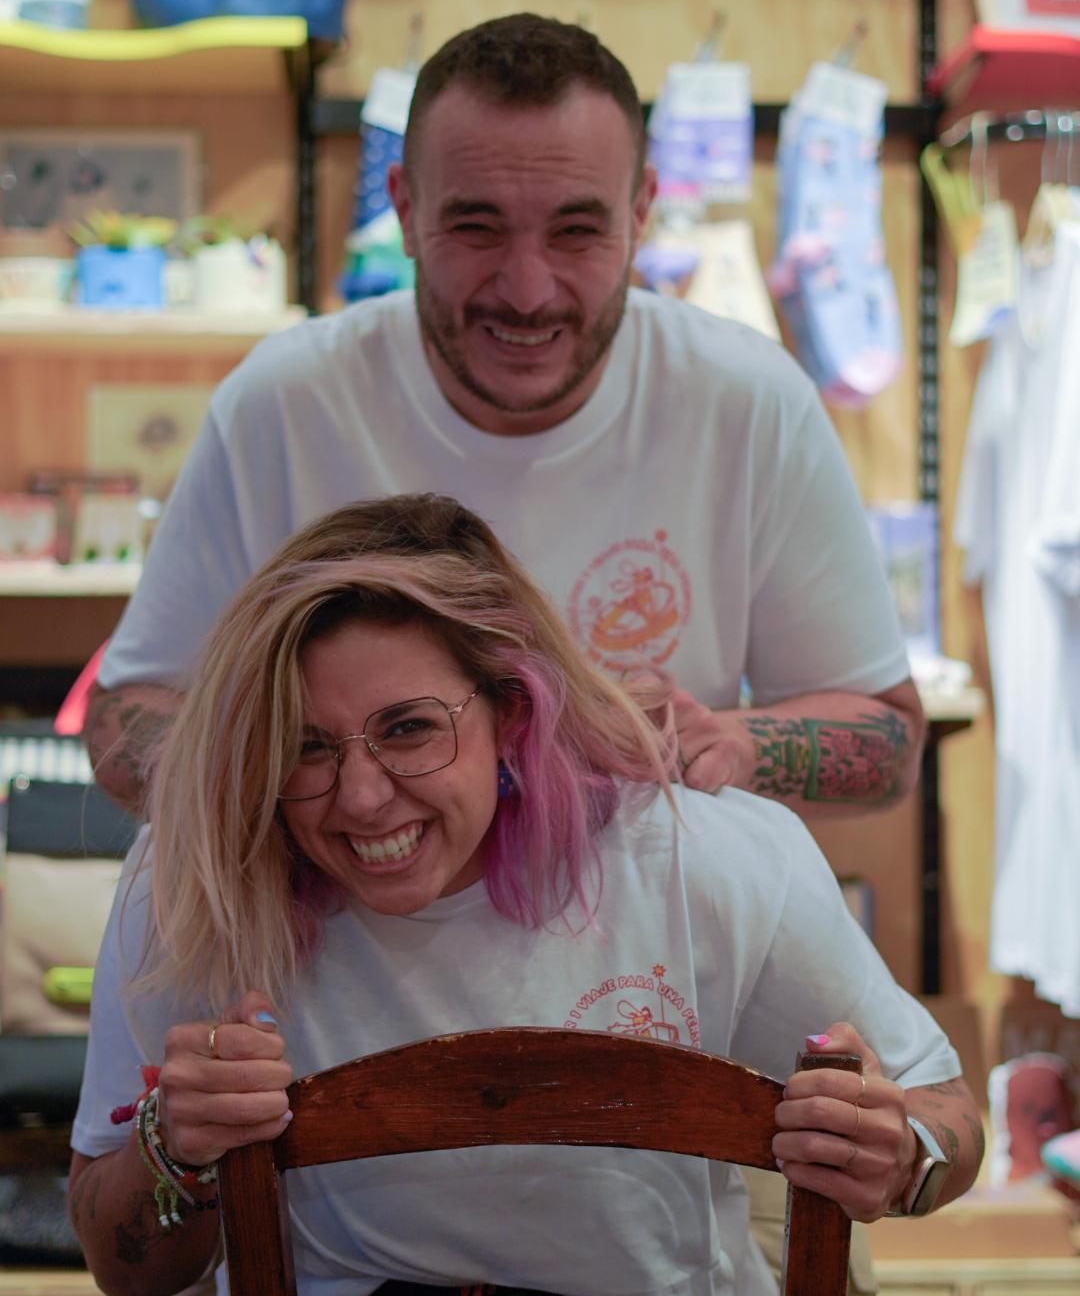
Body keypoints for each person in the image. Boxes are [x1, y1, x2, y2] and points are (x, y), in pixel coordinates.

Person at [69, 495, 979, 1296]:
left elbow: (948, 1115)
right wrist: (173, 1147)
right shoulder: (195, 882)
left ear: (513, 712)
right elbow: (124, 1269)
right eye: (306, 747)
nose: (362, 797)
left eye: (410, 729)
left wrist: (902, 1153)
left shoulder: (696, 857)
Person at [85, 13, 924, 824]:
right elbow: (125, 721)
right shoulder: (283, 404)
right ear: (404, 210)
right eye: (476, 226)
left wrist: (736, 746)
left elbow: (889, 741)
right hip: (341, 921)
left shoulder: (749, 401)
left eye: (576, 230)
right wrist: (296, 773)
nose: (527, 290)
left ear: (641, 213)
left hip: (651, 921)